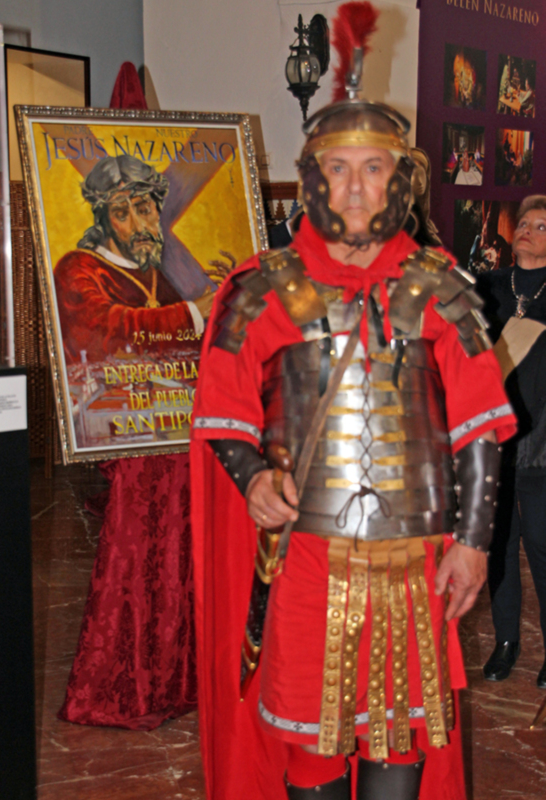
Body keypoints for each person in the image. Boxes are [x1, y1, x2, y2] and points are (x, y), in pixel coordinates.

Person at [190, 5, 516, 799]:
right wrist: (252, 478)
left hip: (415, 562)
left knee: (398, 742)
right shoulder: (261, 288)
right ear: (314, 179)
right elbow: (223, 409)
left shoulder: (440, 286)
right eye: (339, 168)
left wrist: (474, 543)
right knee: (310, 742)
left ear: (398, 181)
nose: (357, 186)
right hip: (308, 556)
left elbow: (480, 426)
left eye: (374, 168)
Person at [54, 155, 219, 363]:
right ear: (105, 222)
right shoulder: (76, 269)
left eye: (144, 210)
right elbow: (106, 331)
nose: (139, 227)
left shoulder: (158, 276)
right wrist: (193, 312)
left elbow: (191, 352)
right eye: (122, 214)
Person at [477, 195, 546, 687]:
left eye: (541, 226)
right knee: (498, 545)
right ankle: (506, 642)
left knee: (543, 547)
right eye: (524, 222)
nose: (527, 230)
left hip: (544, 444)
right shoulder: (486, 287)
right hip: (494, 441)